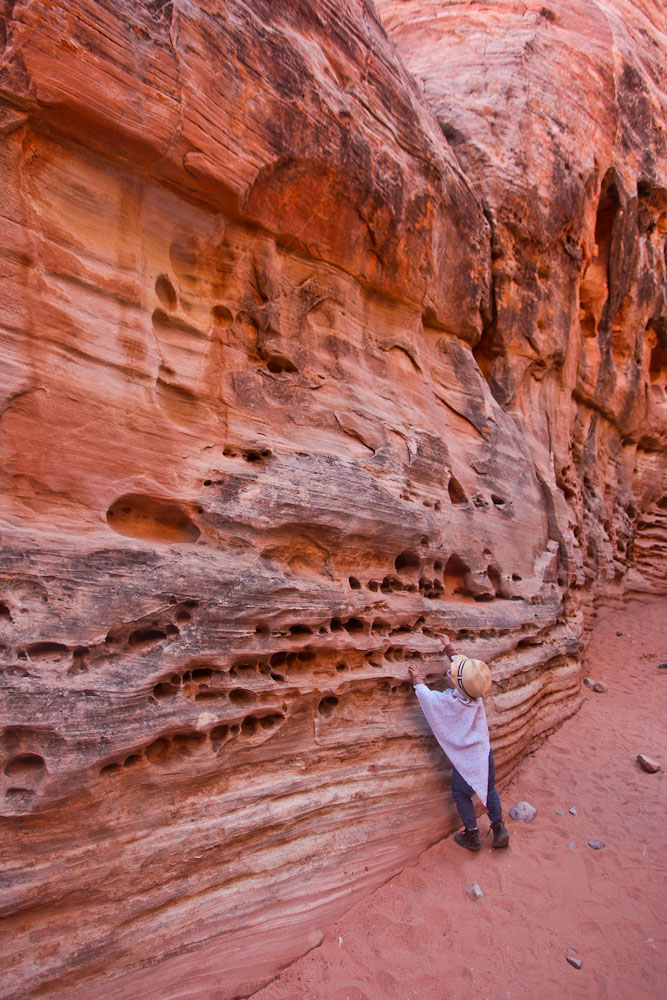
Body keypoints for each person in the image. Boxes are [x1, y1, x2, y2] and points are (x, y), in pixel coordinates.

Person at [408, 633, 509, 851]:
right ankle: (499, 826)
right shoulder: (476, 695)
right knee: (489, 788)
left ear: (457, 683)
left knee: (461, 794)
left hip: (466, 762)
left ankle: (472, 833)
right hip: (484, 754)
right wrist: (448, 647)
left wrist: (417, 678)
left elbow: (428, 698)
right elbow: (467, 670)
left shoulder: (452, 703)